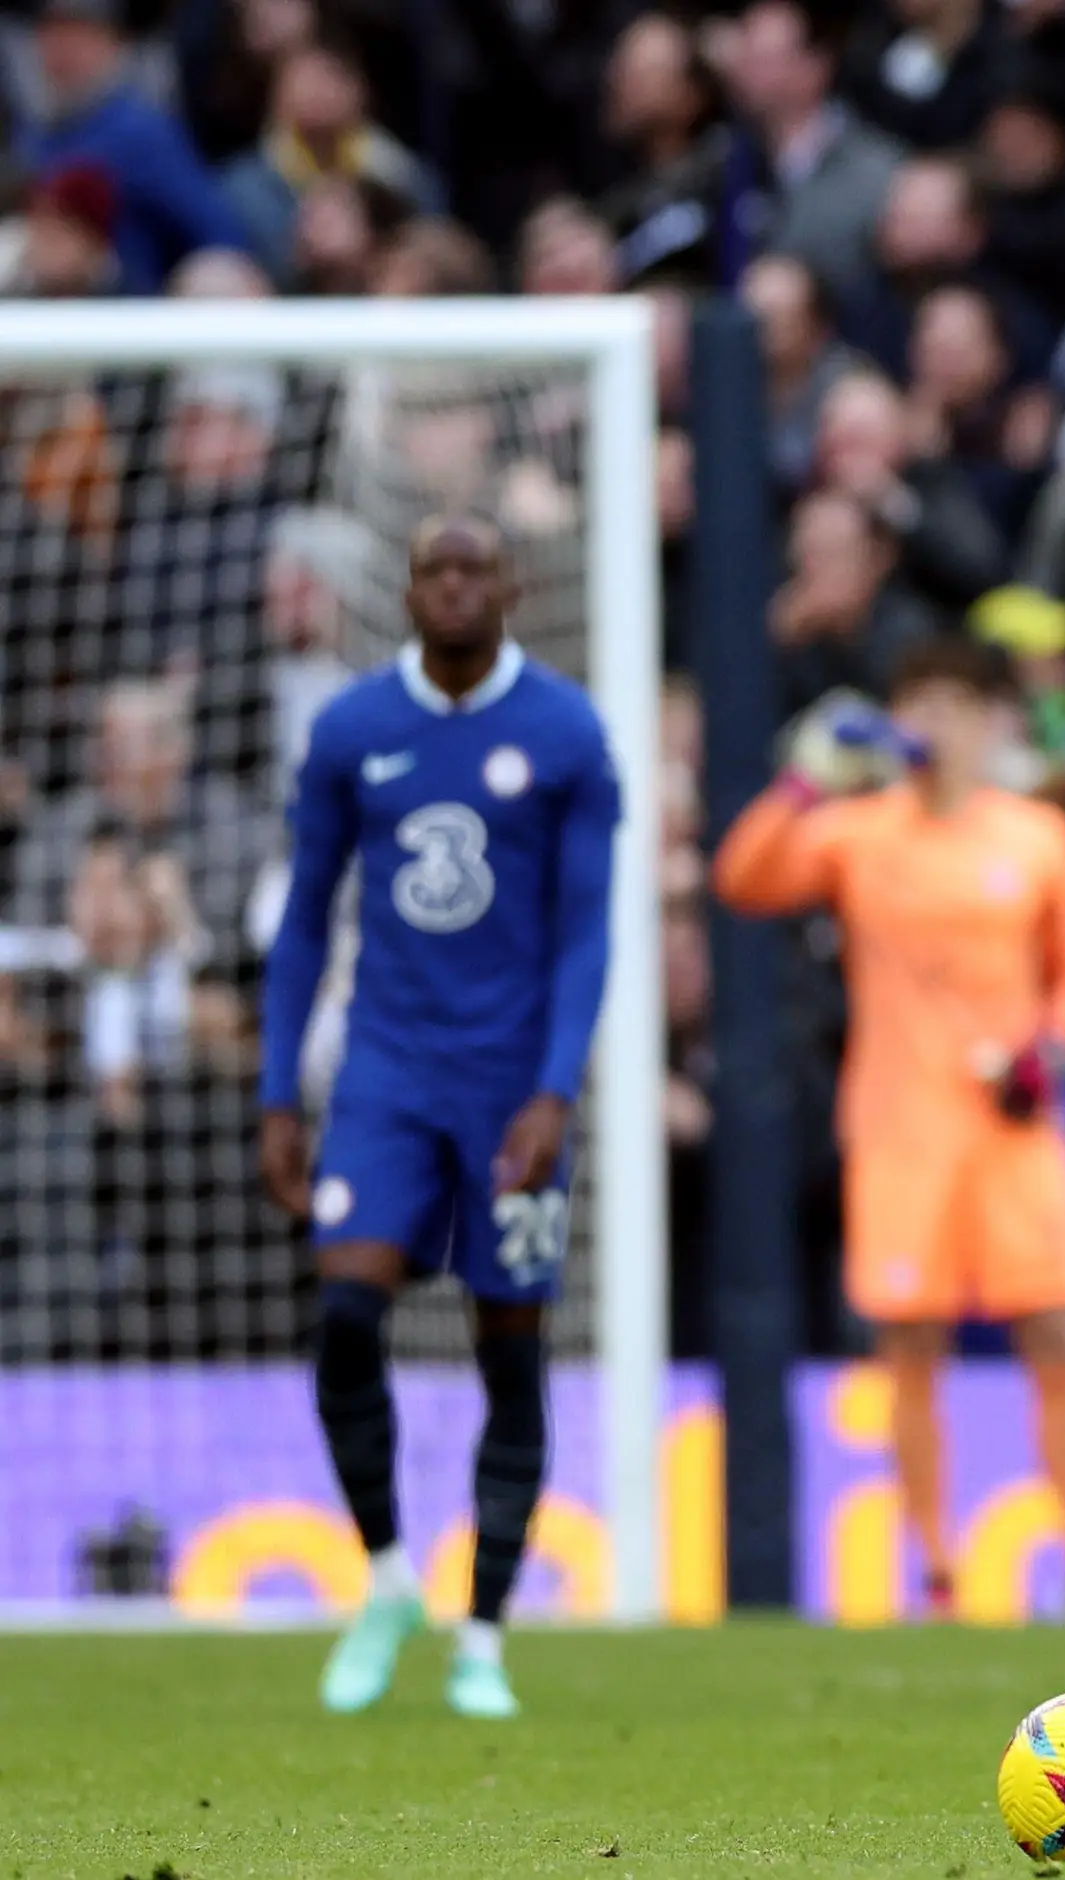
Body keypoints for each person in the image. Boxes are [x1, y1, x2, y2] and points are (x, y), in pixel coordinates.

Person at [256, 515, 619, 1720]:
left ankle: (486, 1637)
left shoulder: (566, 734)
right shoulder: (354, 730)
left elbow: (584, 932)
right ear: (406, 590)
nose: (456, 587)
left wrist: (557, 1089)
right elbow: (307, 919)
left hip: (513, 1086)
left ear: (512, 584)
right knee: (347, 1310)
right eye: (434, 570)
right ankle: (385, 1578)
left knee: (508, 1344)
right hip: (387, 1076)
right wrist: (274, 1092)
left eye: (476, 568)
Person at [714, 636, 1065, 1621]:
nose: (935, 724)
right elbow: (744, 880)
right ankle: (936, 1570)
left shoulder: (1036, 837)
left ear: (990, 722)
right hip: (902, 1127)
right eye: (920, 704)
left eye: (955, 704)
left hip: (1014, 1128)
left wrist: (1050, 1051)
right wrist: (804, 784)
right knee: (910, 1345)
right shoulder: (859, 830)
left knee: (1060, 1332)